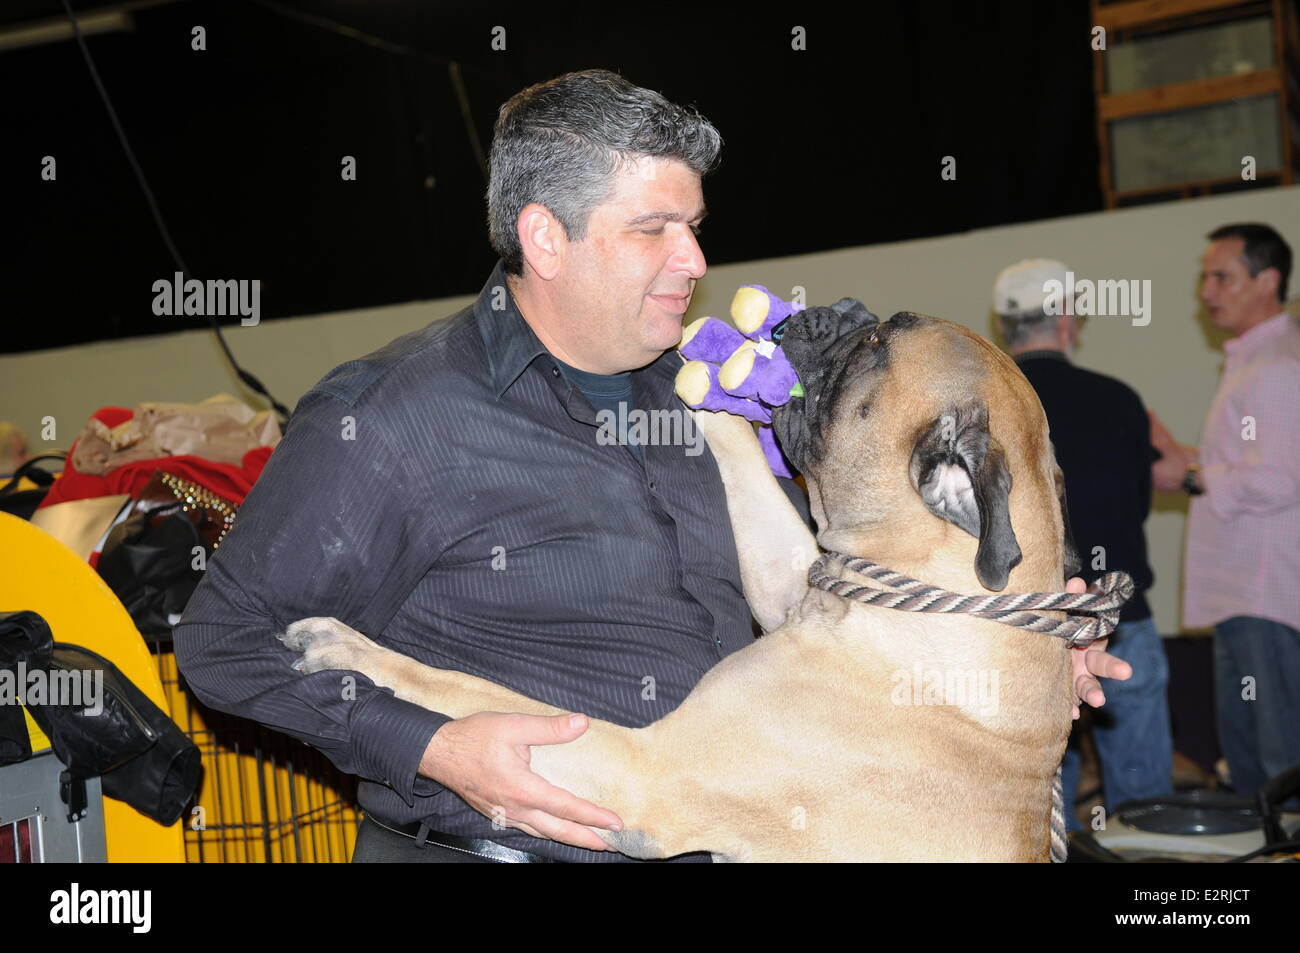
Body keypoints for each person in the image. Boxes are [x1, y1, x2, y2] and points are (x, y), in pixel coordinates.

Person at [174, 70, 1123, 864]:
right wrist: (433, 745)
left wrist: (1016, 644)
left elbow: (838, 597)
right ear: (546, 237)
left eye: (695, 225)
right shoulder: (387, 417)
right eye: (653, 229)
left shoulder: (704, 400)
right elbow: (223, 640)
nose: (694, 259)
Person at [993, 259, 1173, 831]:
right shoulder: (1118, 400)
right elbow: (1138, 507)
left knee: (1038, 819)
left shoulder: (985, 409)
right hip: (1120, 620)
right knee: (1145, 812)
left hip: (1023, 630)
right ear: (1067, 319)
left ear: (1004, 326)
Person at [1149, 223, 1300, 800]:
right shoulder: (1252, 362)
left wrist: (1187, 474)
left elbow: (1282, 477)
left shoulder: (1277, 368)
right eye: (1204, 278)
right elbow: (1251, 464)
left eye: (1222, 277)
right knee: (1250, 755)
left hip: (1264, 592)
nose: (1206, 291)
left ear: (1268, 280)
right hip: (1244, 591)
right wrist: (1184, 458)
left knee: (1277, 754)